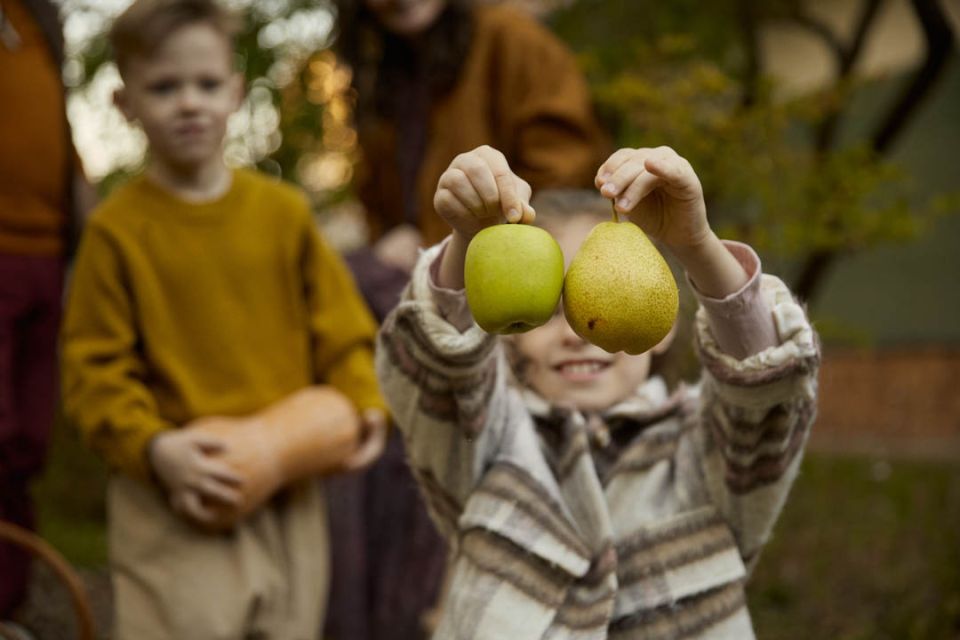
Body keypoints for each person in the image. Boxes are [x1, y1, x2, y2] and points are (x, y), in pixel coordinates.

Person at [376, 144, 821, 638]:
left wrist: (697, 246)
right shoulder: (488, 441)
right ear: (510, 336)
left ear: (668, 320)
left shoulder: (705, 452)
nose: (577, 332)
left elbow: (767, 391)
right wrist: (467, 242)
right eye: (552, 307)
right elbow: (436, 377)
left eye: (592, 294)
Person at [59, 1, 387, 638]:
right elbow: (93, 370)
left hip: (288, 484)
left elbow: (344, 332)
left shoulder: (283, 215)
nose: (189, 103)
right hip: (174, 489)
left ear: (235, 92)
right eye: (164, 87)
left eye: (207, 84)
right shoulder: (115, 232)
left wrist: (365, 404)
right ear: (126, 103)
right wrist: (153, 447)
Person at [324, 3, 609, 637]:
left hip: (510, 291)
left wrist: (476, 236)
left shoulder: (510, 41)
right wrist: (401, 239)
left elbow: (565, 171)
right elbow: (380, 195)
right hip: (424, 296)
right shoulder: (380, 69)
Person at [0, 0, 93, 626]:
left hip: (48, 255)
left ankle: (10, 600)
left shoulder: (38, 21)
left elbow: (58, 134)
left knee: (26, 441)